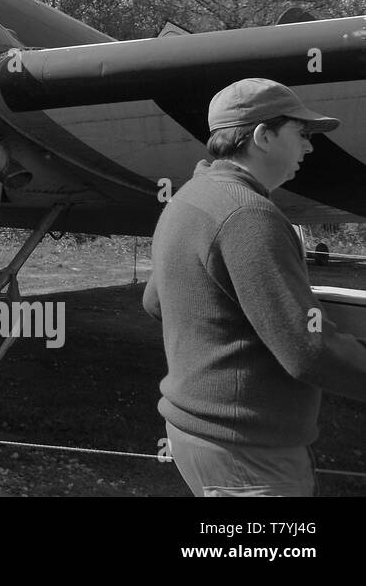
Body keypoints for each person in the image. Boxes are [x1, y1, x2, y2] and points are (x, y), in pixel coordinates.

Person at [144, 77, 366, 496]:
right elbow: (308, 350)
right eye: (301, 134)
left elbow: (156, 301)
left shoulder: (191, 195)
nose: (309, 147)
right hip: (247, 451)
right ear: (263, 136)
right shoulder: (248, 214)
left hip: (193, 433)